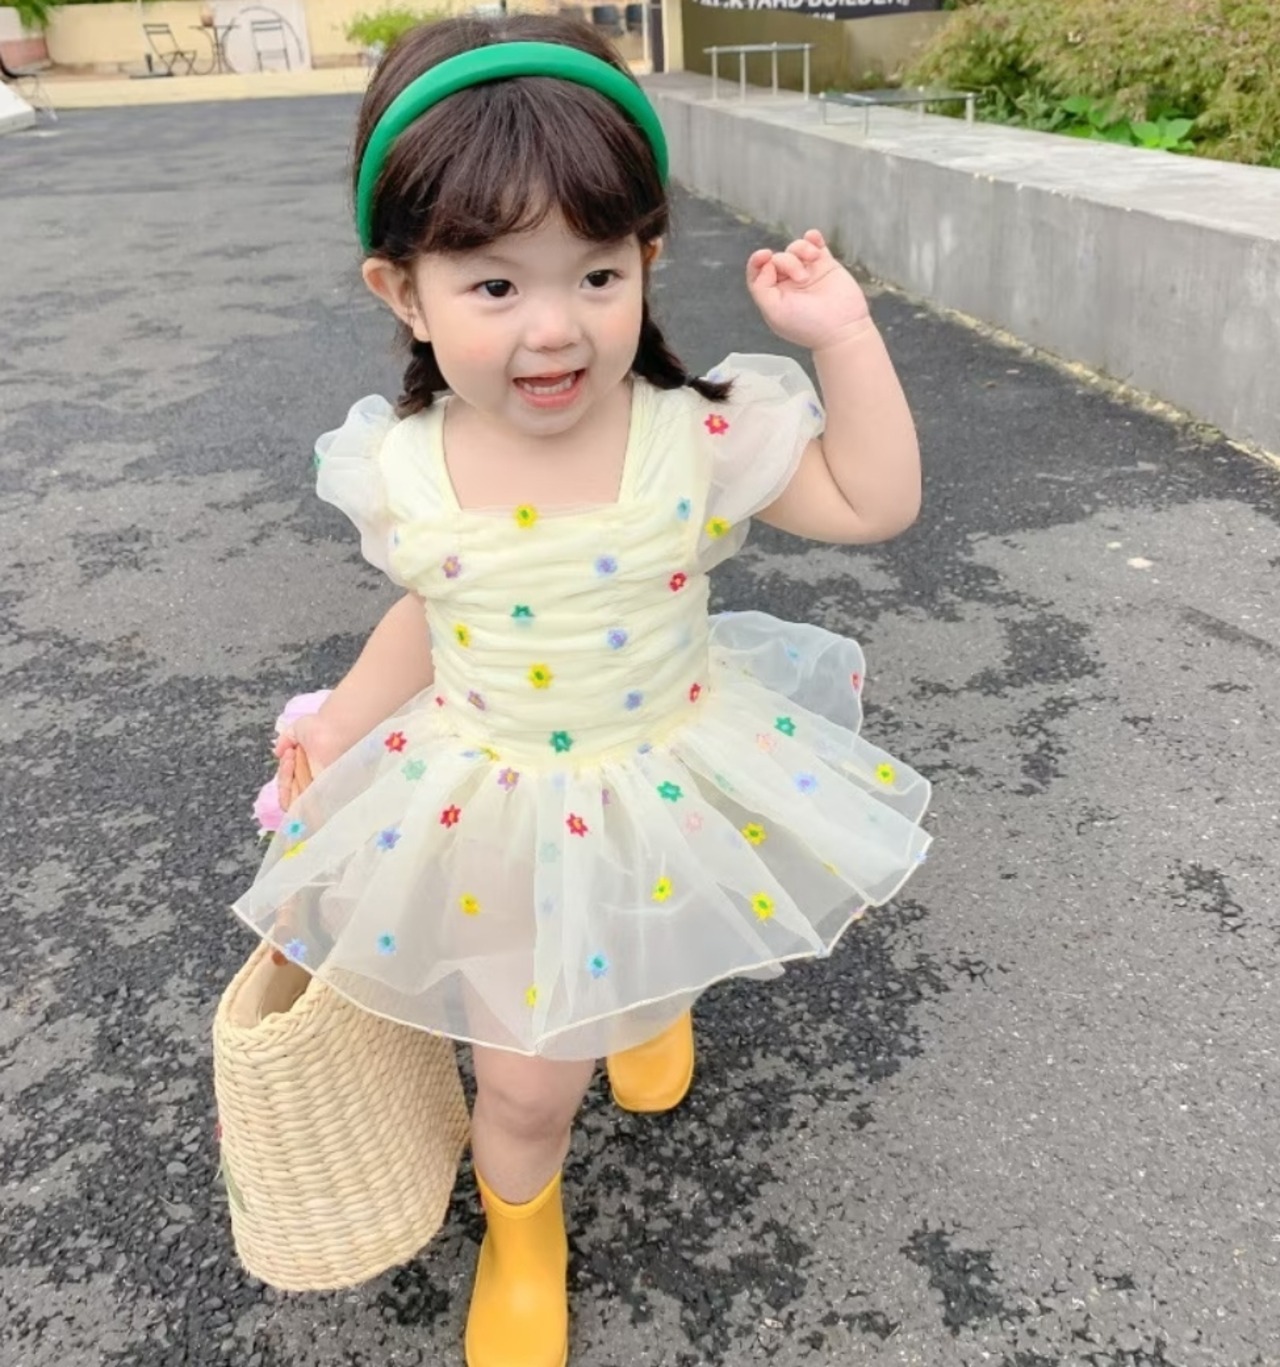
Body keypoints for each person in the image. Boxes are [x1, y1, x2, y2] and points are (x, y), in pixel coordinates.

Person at [233, 13, 931, 1367]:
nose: (554, 328)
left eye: (598, 272)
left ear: (647, 260)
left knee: (647, 918)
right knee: (523, 1087)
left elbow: (873, 500)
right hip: (484, 802)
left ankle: (651, 1001)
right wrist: (337, 726)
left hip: (664, 763)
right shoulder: (405, 466)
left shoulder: (696, 434)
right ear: (402, 291)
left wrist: (844, 335)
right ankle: (524, 1231)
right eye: (495, 284)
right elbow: (436, 608)